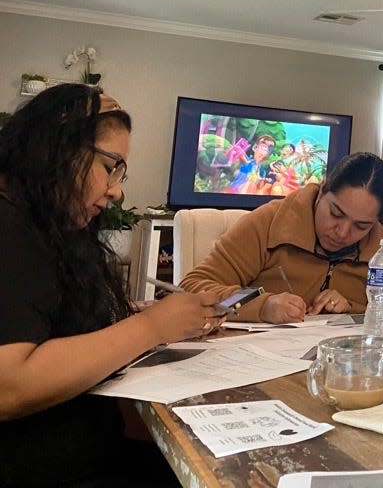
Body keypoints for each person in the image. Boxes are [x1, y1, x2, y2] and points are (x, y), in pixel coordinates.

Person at [0, 84, 222, 487]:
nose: (117, 190)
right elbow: (8, 384)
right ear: (59, 150)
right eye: (110, 166)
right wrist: (151, 327)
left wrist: (154, 315)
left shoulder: (48, 224)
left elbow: (52, 319)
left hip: (90, 451)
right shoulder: (9, 225)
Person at [180, 152, 383, 323]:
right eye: (335, 214)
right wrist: (262, 305)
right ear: (321, 192)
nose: (342, 232)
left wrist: (350, 306)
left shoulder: (381, 253)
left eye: (361, 226)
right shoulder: (269, 224)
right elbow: (191, 287)